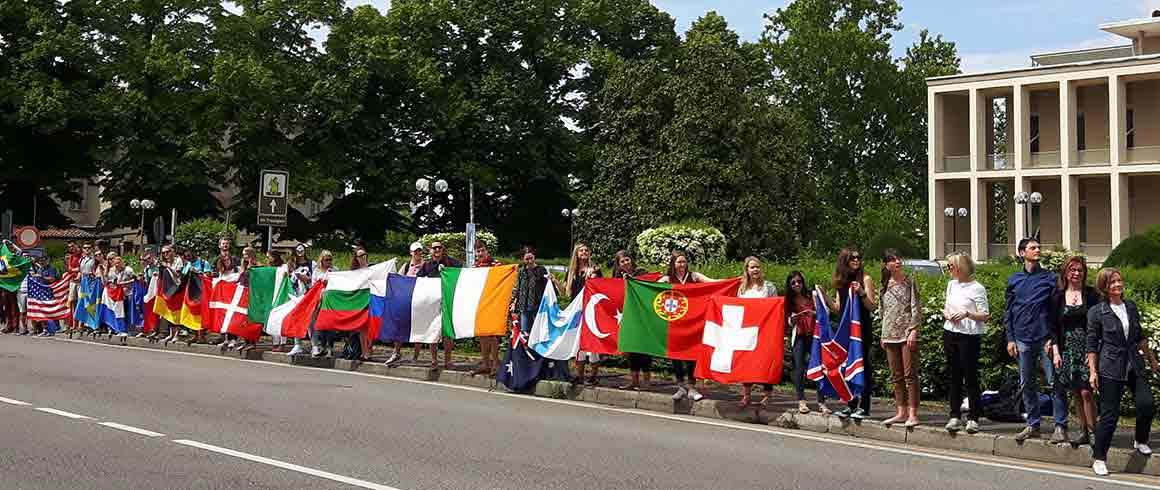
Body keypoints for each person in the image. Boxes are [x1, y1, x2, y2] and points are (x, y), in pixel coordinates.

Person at [1087, 268, 1160, 476]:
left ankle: (1140, 439)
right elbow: (1091, 345)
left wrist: (1152, 361)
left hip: (1134, 363)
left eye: (1119, 281)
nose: (1118, 285)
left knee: (1147, 404)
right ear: (1104, 287)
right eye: (1113, 282)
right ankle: (1099, 458)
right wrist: (1093, 372)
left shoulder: (1130, 306)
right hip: (1110, 366)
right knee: (1110, 416)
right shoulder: (1097, 312)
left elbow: (1140, 336)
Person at [1004, 237, 1061, 442]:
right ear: (1021, 253)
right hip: (1022, 339)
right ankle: (1033, 424)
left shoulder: (1050, 278)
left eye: (1039, 247)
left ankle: (1060, 426)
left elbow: (1057, 312)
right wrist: (1010, 339)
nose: (1038, 250)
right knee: (1027, 383)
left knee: (1055, 382)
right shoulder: (1014, 280)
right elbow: (1009, 312)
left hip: (1045, 338)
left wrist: (1053, 339)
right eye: (1032, 247)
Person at [1050, 256, 1100, 444]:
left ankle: (1094, 431)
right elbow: (1053, 327)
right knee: (1076, 392)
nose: (1076, 274)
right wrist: (1055, 353)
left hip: (1088, 349)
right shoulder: (1057, 296)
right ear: (1066, 273)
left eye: (1080, 270)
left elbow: (1097, 325)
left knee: (1087, 391)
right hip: (1067, 350)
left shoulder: (1092, 295)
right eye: (1073, 270)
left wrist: (1093, 352)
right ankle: (1083, 431)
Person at [825, 247, 878, 420]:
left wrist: (862, 293)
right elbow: (838, 308)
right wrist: (824, 297)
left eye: (858, 258)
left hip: (861, 330)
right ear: (844, 261)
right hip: (845, 331)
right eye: (852, 258)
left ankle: (864, 406)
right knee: (848, 367)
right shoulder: (841, 281)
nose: (856, 260)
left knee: (863, 367)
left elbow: (872, 306)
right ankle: (851, 404)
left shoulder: (866, 279)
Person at [942, 253, 989, 434]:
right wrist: (947, 315)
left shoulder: (977, 288)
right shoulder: (952, 285)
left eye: (951, 267)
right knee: (953, 375)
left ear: (961, 267)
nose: (949, 270)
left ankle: (973, 417)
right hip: (951, 331)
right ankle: (954, 415)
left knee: (970, 376)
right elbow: (947, 306)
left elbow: (985, 315)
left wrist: (967, 314)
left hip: (969, 335)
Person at [659, 250, 714, 402]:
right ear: (673, 264)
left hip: (692, 323)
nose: (682, 265)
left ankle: (691, 387)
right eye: (679, 262)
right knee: (675, 356)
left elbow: (713, 282)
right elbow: (649, 288)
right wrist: (631, 281)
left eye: (684, 262)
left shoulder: (695, 276)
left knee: (692, 355)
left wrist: (736, 280)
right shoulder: (667, 279)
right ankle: (681, 386)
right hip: (674, 323)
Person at [878, 250, 922, 428]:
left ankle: (913, 413)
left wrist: (914, 330)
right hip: (889, 335)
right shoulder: (883, 286)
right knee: (896, 376)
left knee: (910, 374)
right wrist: (883, 334)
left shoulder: (910, 281)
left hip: (906, 333)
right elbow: (883, 313)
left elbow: (917, 308)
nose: (897, 262)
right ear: (886, 264)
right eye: (893, 260)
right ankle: (901, 412)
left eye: (898, 258)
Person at [736, 257, 779, 408]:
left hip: (765, 331)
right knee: (747, 363)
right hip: (747, 332)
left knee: (765, 362)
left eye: (757, 267)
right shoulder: (742, 289)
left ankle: (767, 395)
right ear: (747, 270)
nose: (755, 270)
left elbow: (776, 308)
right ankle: (746, 395)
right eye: (752, 267)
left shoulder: (769, 287)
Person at [784, 270, 826, 414]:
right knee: (799, 368)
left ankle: (821, 402)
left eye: (799, 281)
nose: (797, 285)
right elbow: (788, 321)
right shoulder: (789, 300)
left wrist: (813, 313)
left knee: (819, 366)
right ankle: (801, 401)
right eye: (793, 283)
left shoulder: (812, 295)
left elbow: (824, 312)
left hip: (814, 334)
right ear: (789, 285)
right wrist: (793, 319)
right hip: (800, 334)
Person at [417, 241, 461, 369]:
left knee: (447, 332)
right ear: (430, 250)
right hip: (432, 303)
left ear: (443, 249)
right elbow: (418, 280)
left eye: (439, 247)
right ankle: (434, 360)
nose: (437, 249)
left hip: (447, 301)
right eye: (434, 248)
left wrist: (449, 271)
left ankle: (447, 361)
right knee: (433, 331)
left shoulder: (452, 262)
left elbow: (461, 273)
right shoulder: (426, 265)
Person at [613, 251, 653, 391]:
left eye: (627, 259)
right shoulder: (618, 276)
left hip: (642, 316)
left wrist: (631, 280)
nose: (625, 263)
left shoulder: (641, 271)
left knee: (644, 349)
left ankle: (647, 382)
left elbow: (648, 286)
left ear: (632, 259)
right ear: (618, 265)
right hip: (628, 316)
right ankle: (634, 381)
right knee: (630, 349)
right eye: (622, 261)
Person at [469, 241, 503, 376]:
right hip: (480, 304)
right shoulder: (474, 267)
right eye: (478, 251)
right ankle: (485, 363)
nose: (480, 253)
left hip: (494, 303)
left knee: (493, 335)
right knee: (482, 334)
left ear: (487, 251)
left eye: (482, 250)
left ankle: (495, 363)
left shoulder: (496, 264)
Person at [575, 265, 605, 385]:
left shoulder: (602, 287)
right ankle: (580, 376)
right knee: (580, 348)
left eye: (594, 277)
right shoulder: (584, 286)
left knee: (594, 350)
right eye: (590, 277)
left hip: (595, 320)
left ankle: (593, 376)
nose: (592, 280)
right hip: (582, 318)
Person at [404, 242, 426, 362]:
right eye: (415, 251)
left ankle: (416, 356)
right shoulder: (406, 266)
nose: (418, 253)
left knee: (418, 329)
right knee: (401, 325)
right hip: (406, 300)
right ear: (411, 252)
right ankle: (396, 352)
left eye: (420, 251)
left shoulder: (426, 265)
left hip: (419, 301)